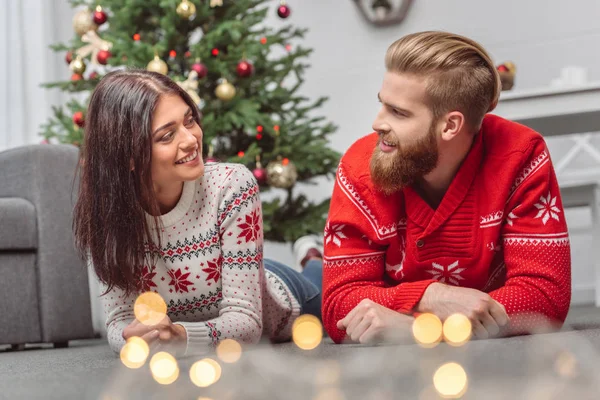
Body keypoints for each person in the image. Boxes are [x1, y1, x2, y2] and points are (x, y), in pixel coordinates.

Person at [316, 31, 571, 344]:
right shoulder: (360, 165)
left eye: (398, 112)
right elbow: (338, 307)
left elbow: (545, 298)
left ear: (450, 125)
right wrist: (432, 296)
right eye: (383, 105)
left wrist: (417, 329)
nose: (377, 123)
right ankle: (311, 260)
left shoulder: (522, 156)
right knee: (309, 286)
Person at [73, 69, 322, 355]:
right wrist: (133, 339)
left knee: (324, 282)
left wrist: (179, 336)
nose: (191, 140)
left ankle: (312, 258)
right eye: (167, 136)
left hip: (286, 300)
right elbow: (119, 323)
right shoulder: (107, 213)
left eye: (189, 120)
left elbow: (247, 323)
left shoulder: (231, 185)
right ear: (128, 155)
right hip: (238, 276)